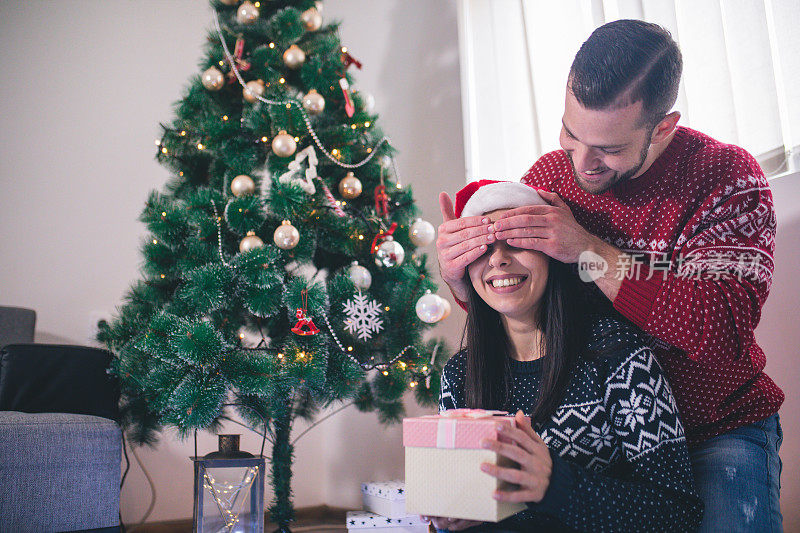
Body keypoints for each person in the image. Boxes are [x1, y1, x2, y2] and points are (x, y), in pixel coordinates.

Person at [436, 20, 783, 532]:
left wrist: (588, 251)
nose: (582, 161)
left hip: (714, 428)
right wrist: (460, 272)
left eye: (609, 149)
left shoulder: (727, 178)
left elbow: (719, 332)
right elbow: (522, 299)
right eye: (570, 134)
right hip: (601, 437)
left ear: (662, 127)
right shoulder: (554, 176)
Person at [426, 179, 702, 532]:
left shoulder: (617, 355)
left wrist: (555, 485)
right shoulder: (460, 373)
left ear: (552, 253)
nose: (498, 259)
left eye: (516, 240)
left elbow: (678, 513)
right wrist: (451, 516)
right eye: (480, 247)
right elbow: (462, 505)